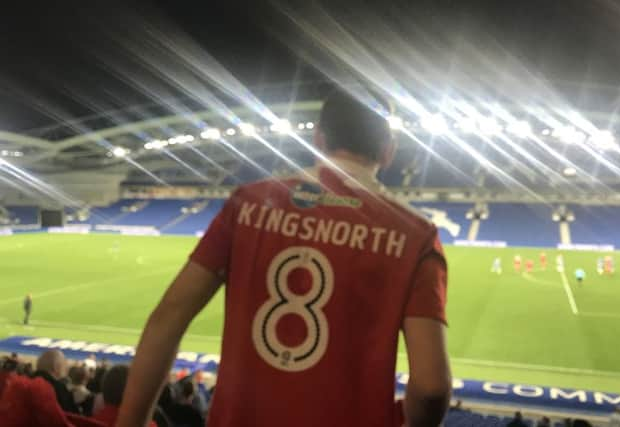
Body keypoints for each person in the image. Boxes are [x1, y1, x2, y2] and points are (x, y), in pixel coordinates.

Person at [116, 89, 451, 427]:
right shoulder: (415, 234)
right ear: (388, 151)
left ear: (318, 138)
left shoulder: (247, 203)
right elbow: (431, 387)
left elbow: (168, 318)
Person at [33, 349, 79, 413]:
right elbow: (71, 416)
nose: (66, 368)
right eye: (64, 364)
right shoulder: (59, 389)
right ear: (56, 367)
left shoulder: (26, 381)